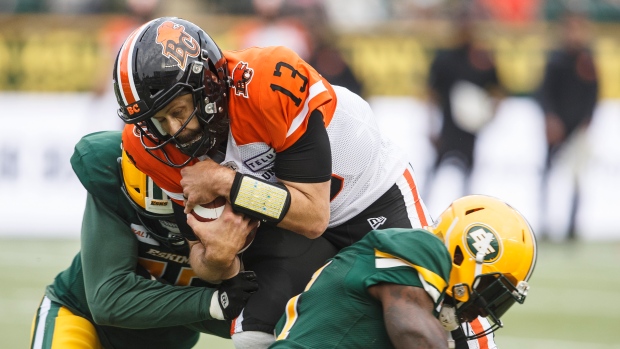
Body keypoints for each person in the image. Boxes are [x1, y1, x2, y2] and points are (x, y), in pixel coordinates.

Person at [114, 16, 431, 349]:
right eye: (157, 120)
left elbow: (313, 215)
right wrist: (218, 259)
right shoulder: (149, 147)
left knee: (427, 309)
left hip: (371, 194)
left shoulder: (266, 83)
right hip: (283, 228)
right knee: (253, 335)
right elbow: (202, 259)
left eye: (178, 110)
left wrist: (225, 181)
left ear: (207, 84)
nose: (172, 130)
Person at [30, 131, 259, 349]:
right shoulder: (111, 173)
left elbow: (259, 322)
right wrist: (214, 303)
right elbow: (108, 300)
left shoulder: (247, 206)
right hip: (82, 317)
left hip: (165, 342)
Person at [270, 194, 537, 349]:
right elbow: (413, 331)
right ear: (465, 253)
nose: (483, 309)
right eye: (490, 290)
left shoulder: (421, 293)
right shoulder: (422, 247)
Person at [425, 9, 503, 215]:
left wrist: (489, 115)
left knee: (468, 178)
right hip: (447, 127)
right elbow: (431, 94)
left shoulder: (482, 57)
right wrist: (431, 125)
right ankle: (420, 214)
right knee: (434, 174)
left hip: (470, 129)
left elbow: (498, 90)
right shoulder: (444, 58)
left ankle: (465, 217)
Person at [537, 10, 598, 241]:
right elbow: (544, 93)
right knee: (548, 175)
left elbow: (593, 94)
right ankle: (544, 222)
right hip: (557, 128)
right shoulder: (556, 59)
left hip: (577, 129)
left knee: (577, 178)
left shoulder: (587, 59)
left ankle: (572, 226)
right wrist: (550, 118)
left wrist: (587, 122)